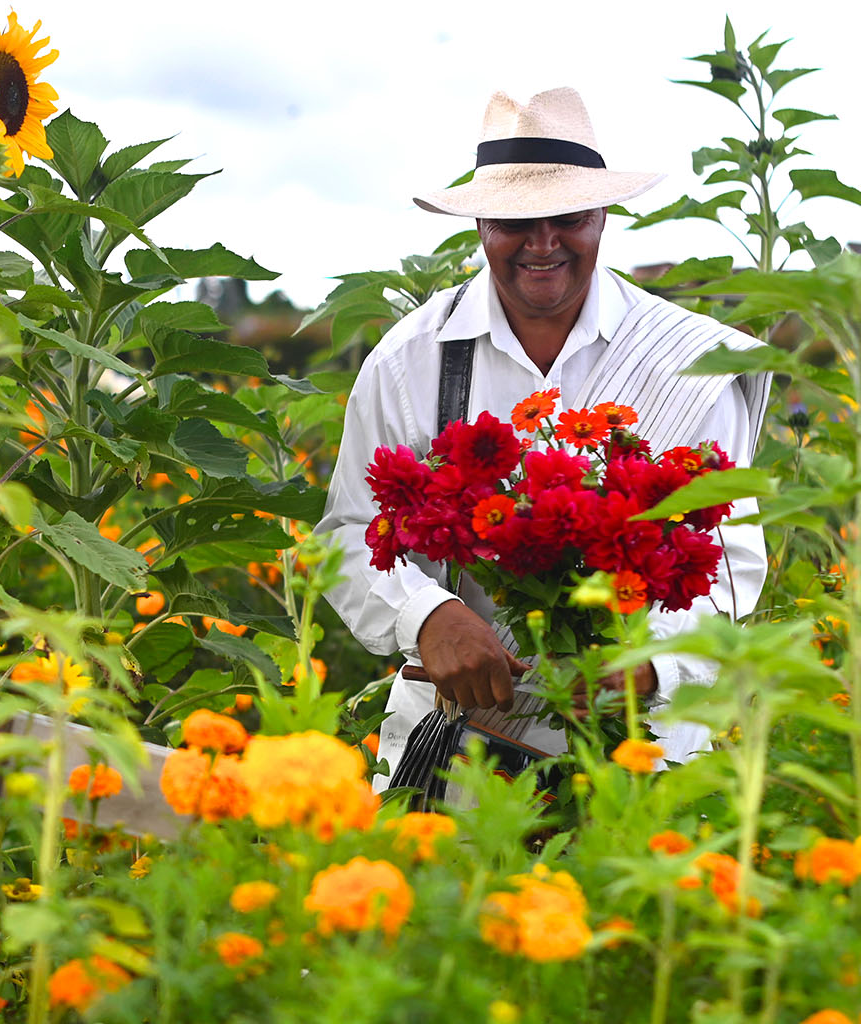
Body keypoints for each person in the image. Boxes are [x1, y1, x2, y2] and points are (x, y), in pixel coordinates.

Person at [314, 87, 773, 785]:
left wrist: (651, 662)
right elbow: (349, 531)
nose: (543, 243)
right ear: (479, 226)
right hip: (454, 746)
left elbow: (730, 566)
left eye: (568, 218)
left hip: (644, 753)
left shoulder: (688, 364)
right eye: (515, 222)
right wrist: (427, 615)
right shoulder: (414, 359)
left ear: (602, 217)